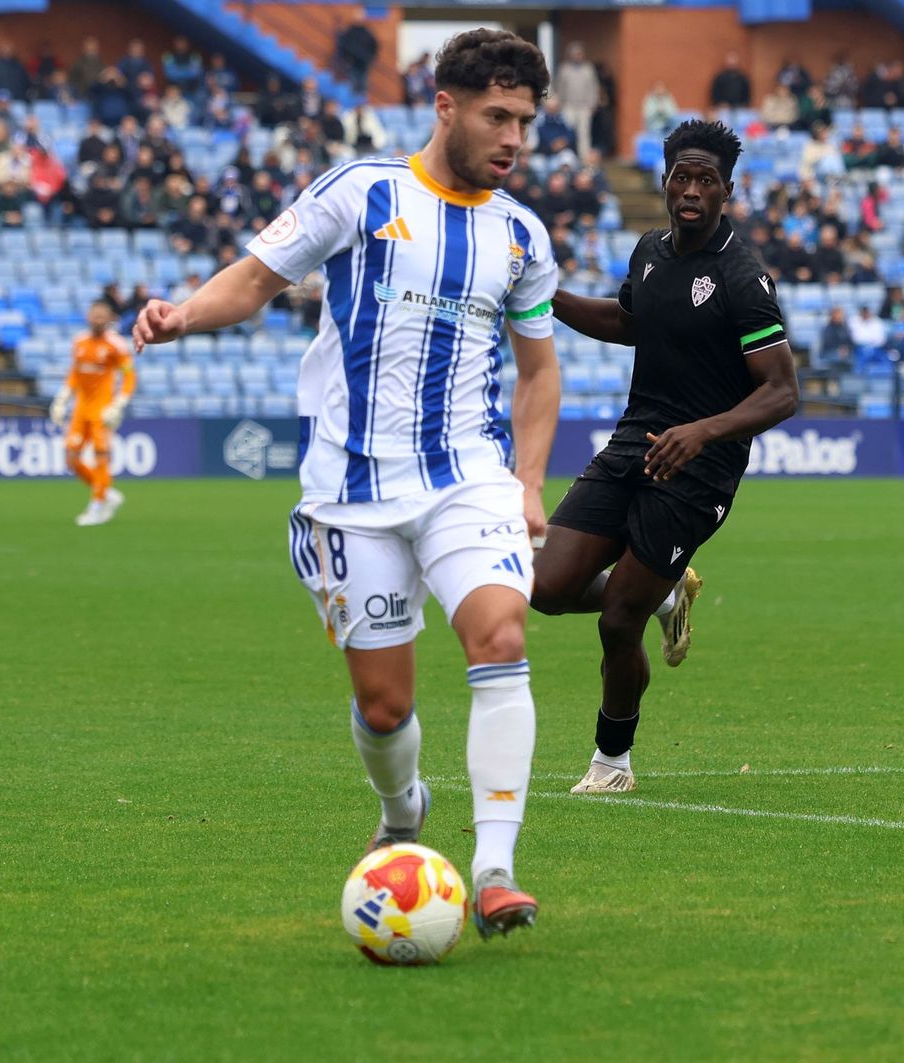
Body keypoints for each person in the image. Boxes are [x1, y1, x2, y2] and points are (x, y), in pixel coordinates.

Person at [131, 29, 562, 942]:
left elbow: (537, 372)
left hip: (467, 480)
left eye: (524, 120)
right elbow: (253, 280)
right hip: (351, 488)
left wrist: (528, 483)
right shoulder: (360, 193)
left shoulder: (522, 234)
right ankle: (404, 806)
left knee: (499, 632)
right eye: (497, 116)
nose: (513, 137)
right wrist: (180, 316)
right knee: (385, 705)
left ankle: (494, 867)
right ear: (444, 107)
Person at [530, 119, 799, 795]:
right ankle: (668, 590)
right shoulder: (649, 250)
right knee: (545, 587)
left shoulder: (741, 277)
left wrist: (703, 432)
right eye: (682, 175)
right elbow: (627, 321)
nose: (692, 190)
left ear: (726, 192)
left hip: (698, 467)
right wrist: (547, 299)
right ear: (665, 181)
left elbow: (782, 391)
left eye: (706, 180)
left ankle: (612, 761)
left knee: (619, 617)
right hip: (635, 441)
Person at [49, 302, 134, 527]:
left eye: (101, 316)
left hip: (102, 411)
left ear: (108, 319)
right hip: (80, 409)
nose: (97, 319)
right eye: (94, 315)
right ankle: (106, 493)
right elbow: (74, 373)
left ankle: (97, 506)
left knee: (101, 457)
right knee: (71, 458)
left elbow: (129, 376)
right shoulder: (79, 341)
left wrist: (119, 404)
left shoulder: (116, 345)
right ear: (88, 316)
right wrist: (62, 398)